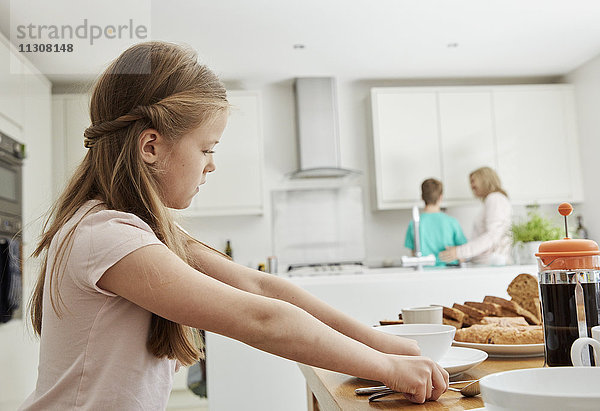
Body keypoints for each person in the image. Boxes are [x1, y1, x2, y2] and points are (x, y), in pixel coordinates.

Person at [20, 41, 448, 410]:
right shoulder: (106, 236)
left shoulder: (136, 230)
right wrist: (388, 368)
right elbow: (262, 318)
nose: (212, 164)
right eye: (206, 148)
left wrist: (378, 342)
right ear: (151, 146)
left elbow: (262, 288)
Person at [439, 167, 512, 265]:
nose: (471, 186)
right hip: (489, 262)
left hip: (491, 263)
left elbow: (492, 236)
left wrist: (460, 252)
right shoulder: (495, 199)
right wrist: (464, 254)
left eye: (473, 181)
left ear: (484, 180)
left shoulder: (494, 199)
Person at [404, 178, 467, 266]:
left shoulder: (414, 224)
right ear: (441, 197)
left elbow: (414, 254)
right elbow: (464, 253)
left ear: (422, 197)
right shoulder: (452, 222)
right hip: (450, 273)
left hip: (424, 273)